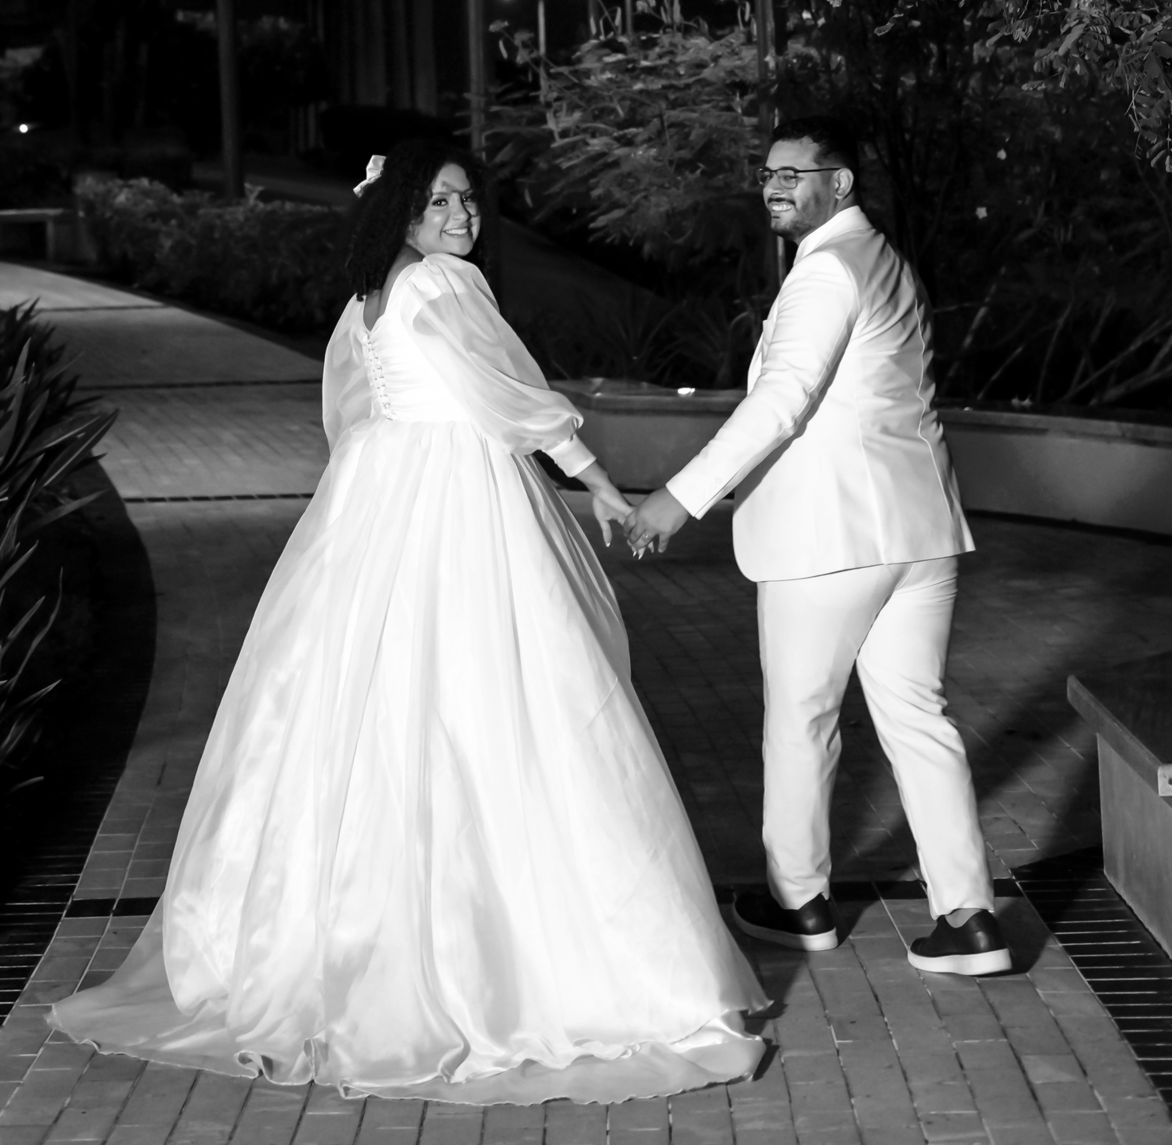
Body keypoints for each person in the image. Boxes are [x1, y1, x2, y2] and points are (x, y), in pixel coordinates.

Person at [51, 142, 765, 1102]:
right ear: (402, 214)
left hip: (373, 498)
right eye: (441, 201)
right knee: (498, 700)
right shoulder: (444, 286)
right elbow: (514, 403)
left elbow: (346, 412)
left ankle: (334, 944)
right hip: (456, 498)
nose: (463, 216)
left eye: (470, 199)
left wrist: (372, 487)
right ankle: (546, 963)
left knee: (362, 709)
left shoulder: (369, 298)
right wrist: (597, 484)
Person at [625, 116, 1011, 978]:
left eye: (794, 174)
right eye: (768, 174)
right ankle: (970, 915)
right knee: (920, 722)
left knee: (801, 722)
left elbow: (783, 402)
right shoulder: (884, 262)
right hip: (919, 531)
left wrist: (677, 499)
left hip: (832, 539)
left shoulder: (825, 272)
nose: (774, 186)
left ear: (841, 185)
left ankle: (800, 901)